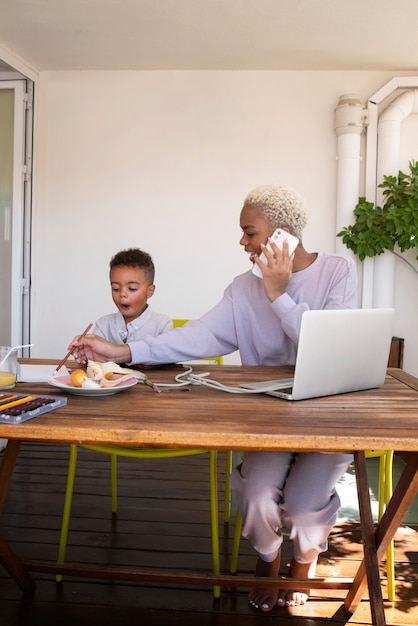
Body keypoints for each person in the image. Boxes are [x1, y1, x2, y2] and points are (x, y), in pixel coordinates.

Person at [69, 184, 357, 612]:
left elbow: (330, 351)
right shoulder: (243, 288)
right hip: (269, 417)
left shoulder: (338, 271)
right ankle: (267, 559)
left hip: (326, 417)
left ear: (282, 234)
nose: (243, 242)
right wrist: (123, 352)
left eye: (249, 232)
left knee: (301, 502)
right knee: (258, 494)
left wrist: (279, 295)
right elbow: (197, 337)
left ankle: (303, 563)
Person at [93, 248, 172, 345]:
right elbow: (94, 357)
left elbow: (165, 356)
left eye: (132, 289)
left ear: (150, 291)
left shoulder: (162, 325)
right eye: (116, 289)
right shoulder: (103, 325)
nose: (122, 294)